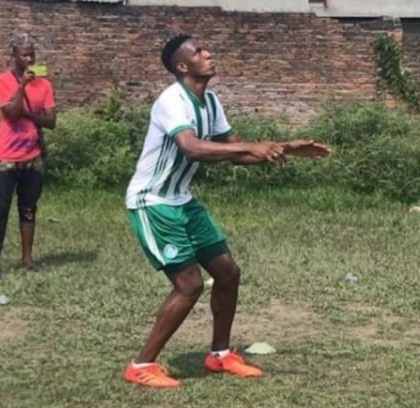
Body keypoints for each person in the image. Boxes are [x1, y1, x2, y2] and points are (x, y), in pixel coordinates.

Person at [123, 34, 330, 388]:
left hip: (182, 200)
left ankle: (219, 355)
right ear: (182, 66)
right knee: (188, 286)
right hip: (152, 202)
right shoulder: (171, 100)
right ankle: (141, 365)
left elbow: (236, 152)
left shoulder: (211, 101)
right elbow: (191, 148)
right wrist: (257, 146)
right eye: (199, 52)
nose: (208, 53)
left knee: (227, 272)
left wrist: (283, 149)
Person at [0, 33, 56, 277]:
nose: (29, 59)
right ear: (14, 55)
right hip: (7, 158)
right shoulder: (2, 81)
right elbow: (12, 114)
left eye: (32, 54)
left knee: (28, 209)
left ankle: (27, 259)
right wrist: (22, 86)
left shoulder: (45, 84)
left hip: (32, 158)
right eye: (24, 54)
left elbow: (51, 121)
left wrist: (29, 114)